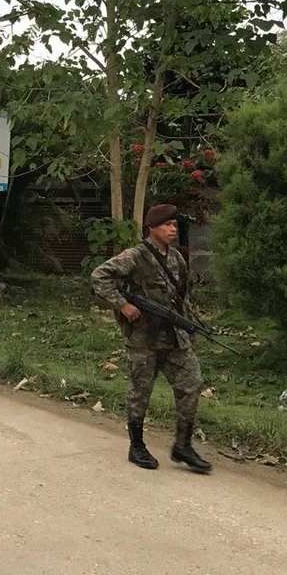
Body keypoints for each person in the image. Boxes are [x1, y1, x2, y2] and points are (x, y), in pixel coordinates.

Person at [90, 203, 212, 473]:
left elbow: (183, 298)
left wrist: (191, 329)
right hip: (143, 338)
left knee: (191, 384)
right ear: (152, 228)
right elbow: (100, 276)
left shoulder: (178, 259)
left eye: (174, 226)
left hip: (174, 337)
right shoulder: (135, 256)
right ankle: (137, 445)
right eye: (167, 225)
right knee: (140, 392)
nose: (172, 230)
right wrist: (122, 304)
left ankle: (183, 445)